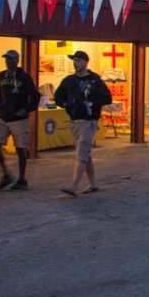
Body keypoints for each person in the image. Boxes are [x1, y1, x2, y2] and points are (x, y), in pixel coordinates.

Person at [54, 50, 113, 196]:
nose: (76, 63)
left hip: (89, 120)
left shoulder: (95, 80)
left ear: (86, 62)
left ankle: (73, 185)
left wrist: (93, 103)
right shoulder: (69, 80)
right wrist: (65, 104)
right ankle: (93, 184)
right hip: (75, 120)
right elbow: (58, 95)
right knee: (85, 152)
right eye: (74, 60)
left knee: (82, 152)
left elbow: (107, 98)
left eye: (79, 60)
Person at [0, 49, 40, 191]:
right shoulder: (1, 76)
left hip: (19, 118)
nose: (7, 62)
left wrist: (27, 109)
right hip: (4, 117)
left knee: (20, 148)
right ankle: (6, 174)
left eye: (10, 59)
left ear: (17, 61)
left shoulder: (24, 77)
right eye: (6, 59)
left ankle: (21, 179)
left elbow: (35, 95)